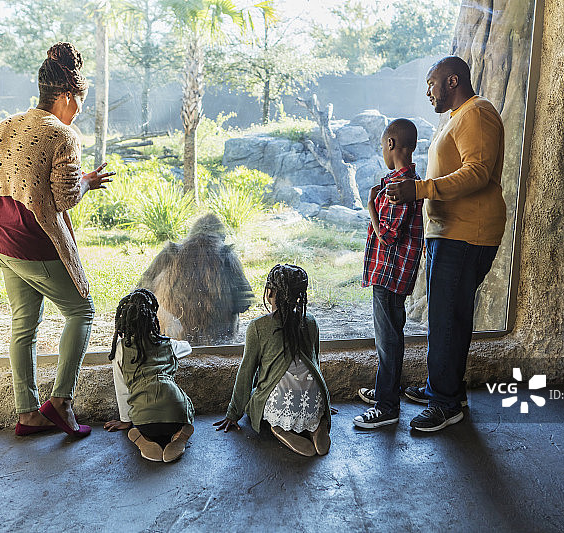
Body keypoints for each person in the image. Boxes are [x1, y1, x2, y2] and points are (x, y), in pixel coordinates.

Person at [0, 42, 114, 438]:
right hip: (34, 244)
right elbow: (65, 197)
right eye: (79, 102)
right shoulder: (62, 135)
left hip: (0, 241)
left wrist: (13, 177)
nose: (79, 111)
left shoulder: (3, 127)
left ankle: (28, 413)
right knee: (82, 312)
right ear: (67, 96)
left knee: (23, 326)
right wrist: (86, 183)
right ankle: (62, 402)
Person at [385, 56, 506, 432]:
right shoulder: (458, 118)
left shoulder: (477, 113)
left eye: (431, 83)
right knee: (445, 317)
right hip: (451, 232)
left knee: (448, 320)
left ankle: (446, 403)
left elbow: (477, 173)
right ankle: (442, 387)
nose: (427, 91)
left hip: (466, 234)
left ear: (452, 80)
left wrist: (419, 190)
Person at [214, 264, 331, 457]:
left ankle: (280, 429)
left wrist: (233, 413)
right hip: (314, 397)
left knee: (254, 400)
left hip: (281, 404)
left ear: (270, 293)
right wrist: (323, 399)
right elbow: (315, 362)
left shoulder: (258, 327)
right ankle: (317, 426)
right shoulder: (310, 322)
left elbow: (247, 372)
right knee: (306, 391)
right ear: (299, 297)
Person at [354, 119, 424, 429]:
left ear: (392, 145)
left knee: (388, 339)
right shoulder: (402, 180)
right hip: (393, 273)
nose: (384, 151)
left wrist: (370, 203)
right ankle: (387, 389)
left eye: (384, 146)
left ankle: (386, 406)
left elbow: (387, 235)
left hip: (389, 273)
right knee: (391, 334)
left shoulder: (399, 187)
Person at [103, 289, 195, 462]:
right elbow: (187, 348)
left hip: (145, 420)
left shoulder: (121, 349)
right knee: (183, 408)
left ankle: (143, 438)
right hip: (176, 413)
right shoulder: (167, 344)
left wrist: (125, 420)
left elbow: (122, 388)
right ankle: (179, 435)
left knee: (142, 424)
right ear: (153, 318)